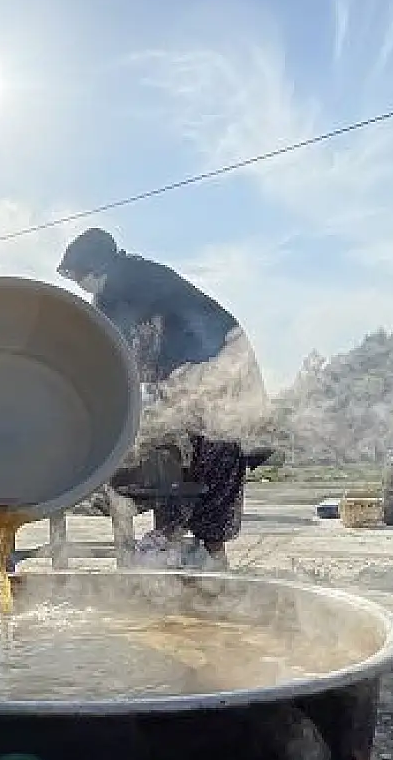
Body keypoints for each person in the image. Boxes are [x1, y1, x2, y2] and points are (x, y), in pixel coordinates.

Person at [57, 228, 274, 567]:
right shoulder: (118, 289)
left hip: (218, 365)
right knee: (175, 451)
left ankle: (203, 553)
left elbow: (120, 357)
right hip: (188, 375)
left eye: (80, 277)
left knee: (207, 451)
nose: (81, 286)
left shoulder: (133, 282)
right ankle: (180, 544)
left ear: (97, 268)